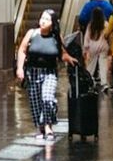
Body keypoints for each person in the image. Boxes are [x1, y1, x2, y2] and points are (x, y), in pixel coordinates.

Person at [16, 11, 77, 145]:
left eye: (47, 19)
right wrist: (20, 68)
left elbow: (62, 53)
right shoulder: (32, 33)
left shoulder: (56, 36)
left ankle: (48, 126)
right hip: (32, 72)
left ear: (52, 23)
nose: (43, 21)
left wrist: (69, 58)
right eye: (42, 18)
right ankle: (40, 127)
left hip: (49, 72)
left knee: (48, 98)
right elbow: (22, 50)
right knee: (35, 101)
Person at [81, 10, 112, 94]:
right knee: (103, 64)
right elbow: (109, 35)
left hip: (92, 46)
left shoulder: (90, 25)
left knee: (91, 64)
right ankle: (104, 83)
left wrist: (85, 49)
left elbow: (86, 37)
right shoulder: (105, 24)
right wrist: (110, 46)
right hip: (103, 45)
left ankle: (89, 80)